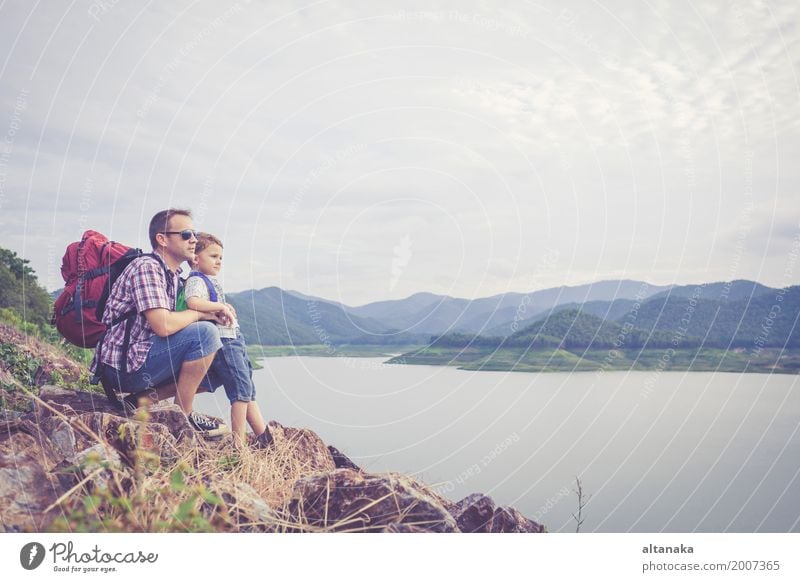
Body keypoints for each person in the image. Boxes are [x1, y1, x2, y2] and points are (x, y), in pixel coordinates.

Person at [90, 208, 230, 436]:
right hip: (123, 365)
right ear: (162, 239)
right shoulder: (147, 268)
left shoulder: (173, 277)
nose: (194, 239)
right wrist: (201, 315)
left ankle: (139, 401)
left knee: (223, 362)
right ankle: (183, 417)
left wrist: (214, 314)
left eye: (194, 234)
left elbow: (177, 323)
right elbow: (163, 325)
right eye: (186, 234)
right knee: (205, 334)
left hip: (144, 357)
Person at [184, 232, 273, 447]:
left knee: (247, 389)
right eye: (213, 256)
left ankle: (265, 439)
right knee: (240, 392)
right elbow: (193, 302)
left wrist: (223, 308)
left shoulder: (208, 281)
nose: (219, 261)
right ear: (196, 259)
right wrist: (220, 306)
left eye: (221, 258)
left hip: (234, 340)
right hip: (225, 344)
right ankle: (239, 444)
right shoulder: (196, 279)